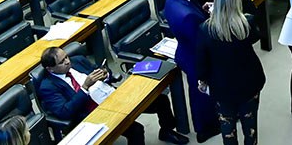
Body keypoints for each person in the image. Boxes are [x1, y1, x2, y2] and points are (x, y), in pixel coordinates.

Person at [38, 47, 187, 145]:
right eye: (62, 62)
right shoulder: (47, 87)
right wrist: (84, 88)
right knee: (136, 130)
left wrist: (105, 74)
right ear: (50, 68)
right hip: (95, 113)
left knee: (160, 100)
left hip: (113, 96)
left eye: (66, 57)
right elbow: (65, 111)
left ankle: (166, 131)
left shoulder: (77, 61)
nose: (67, 61)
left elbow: (102, 71)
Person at [196, 0, 266, 145]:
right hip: (249, 83)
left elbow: (201, 62)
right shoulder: (246, 23)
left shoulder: (206, 29)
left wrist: (203, 80)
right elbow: (256, 37)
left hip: (222, 88)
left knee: (227, 130)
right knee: (250, 127)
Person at [164, 0, 220, 143]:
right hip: (195, 58)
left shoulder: (172, 0)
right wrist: (211, 19)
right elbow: (202, 42)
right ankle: (205, 129)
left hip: (184, 50)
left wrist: (203, 11)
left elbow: (192, 11)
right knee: (200, 94)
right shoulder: (188, 16)